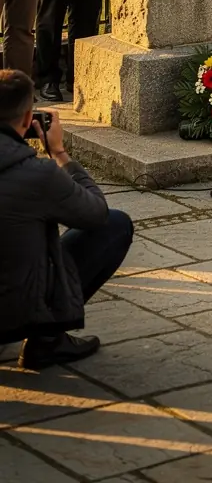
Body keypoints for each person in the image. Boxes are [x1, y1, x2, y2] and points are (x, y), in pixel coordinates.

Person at [0, 69, 133, 370]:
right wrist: (59, 153)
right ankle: (46, 340)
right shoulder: (37, 174)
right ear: (26, 120)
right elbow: (96, 213)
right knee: (115, 225)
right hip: (13, 310)